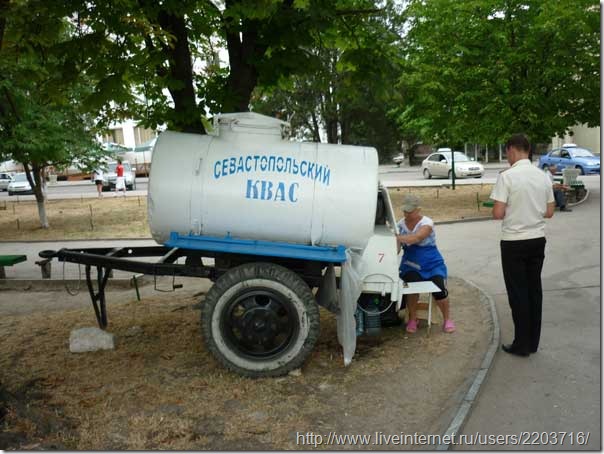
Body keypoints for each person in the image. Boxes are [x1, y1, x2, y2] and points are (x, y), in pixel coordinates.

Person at [491, 134, 555, 357]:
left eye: (506, 152)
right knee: (534, 290)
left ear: (511, 149)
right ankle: (533, 342)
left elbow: (497, 214)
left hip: (514, 242)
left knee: (518, 293)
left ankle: (521, 344)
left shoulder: (507, 177)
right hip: (537, 239)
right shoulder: (543, 176)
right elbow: (549, 212)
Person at [397, 194, 455, 334]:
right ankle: (412, 318)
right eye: (405, 211)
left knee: (439, 288)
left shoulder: (427, 223)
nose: (407, 214)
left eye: (410, 211)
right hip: (411, 262)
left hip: (431, 261)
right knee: (412, 286)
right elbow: (396, 248)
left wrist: (398, 237)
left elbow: (417, 237)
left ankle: (447, 319)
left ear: (418, 209)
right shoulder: (399, 225)